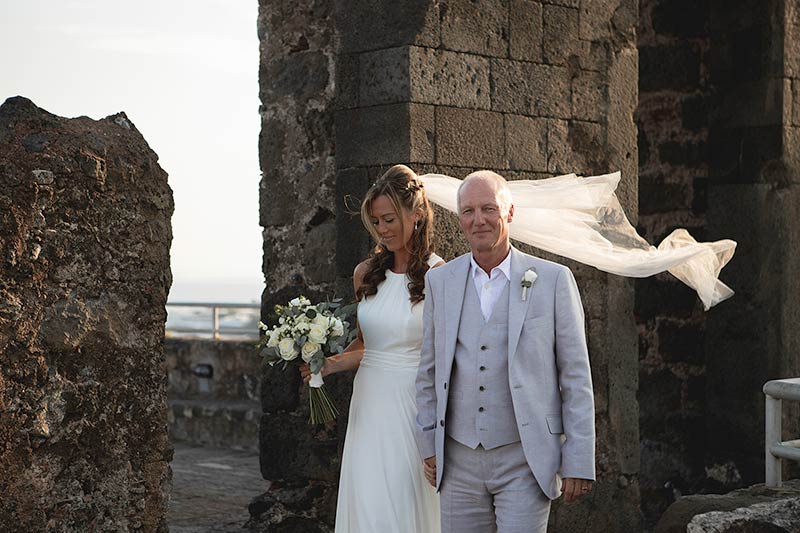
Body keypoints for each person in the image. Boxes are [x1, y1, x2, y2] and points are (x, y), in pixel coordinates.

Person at [415, 170, 596, 533]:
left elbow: (575, 376)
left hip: (526, 460)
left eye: (488, 208)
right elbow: (429, 371)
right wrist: (427, 443)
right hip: (458, 461)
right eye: (468, 211)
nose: (478, 219)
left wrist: (578, 459)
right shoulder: (440, 281)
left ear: (509, 212)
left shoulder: (553, 279)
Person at [300, 164, 443, 532]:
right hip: (369, 403)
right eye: (376, 221)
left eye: (390, 218)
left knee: (404, 501)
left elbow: (444, 356)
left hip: (412, 406)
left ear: (416, 215)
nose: (383, 229)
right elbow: (368, 345)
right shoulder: (365, 273)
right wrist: (328, 365)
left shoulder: (439, 274)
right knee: (368, 501)